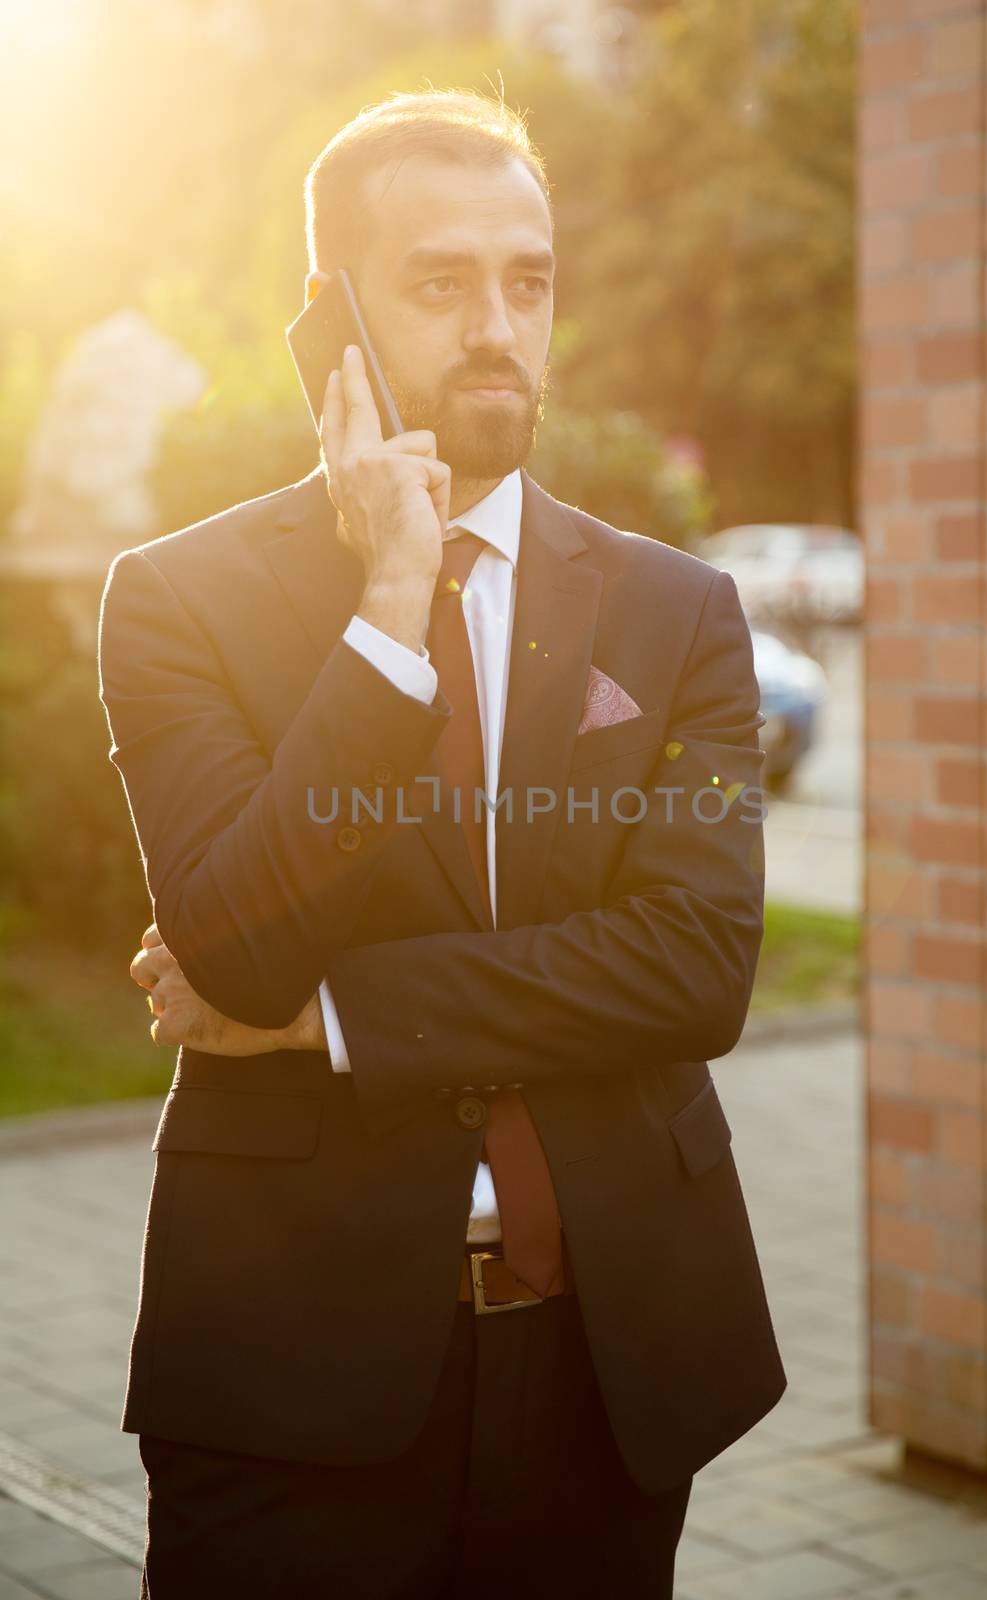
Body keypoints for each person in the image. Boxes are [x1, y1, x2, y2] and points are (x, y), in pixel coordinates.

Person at [98, 87, 786, 1599]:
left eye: (527, 281)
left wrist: (336, 1017)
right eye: (439, 282)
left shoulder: (680, 613)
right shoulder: (175, 601)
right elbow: (235, 942)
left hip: (613, 1359)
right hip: (292, 1370)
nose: (498, 326)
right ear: (335, 314)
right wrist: (390, 606)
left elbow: (696, 968)